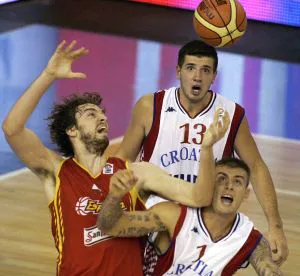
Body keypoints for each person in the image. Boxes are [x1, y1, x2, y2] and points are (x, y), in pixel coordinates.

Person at [2, 40, 230, 276]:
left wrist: (206, 149)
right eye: (92, 114)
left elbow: (200, 197)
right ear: (72, 130)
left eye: (103, 114)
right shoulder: (57, 172)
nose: (102, 118)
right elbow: (12, 129)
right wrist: (48, 76)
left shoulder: (137, 173)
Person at [116, 40, 288, 264]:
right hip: (154, 216)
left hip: (204, 222)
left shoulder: (231, 114)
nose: (197, 77)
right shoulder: (151, 106)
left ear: (214, 76)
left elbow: (256, 166)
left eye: (205, 70)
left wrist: (275, 226)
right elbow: (122, 161)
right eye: (190, 68)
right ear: (178, 71)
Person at [97, 157, 283, 275]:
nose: (229, 186)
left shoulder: (248, 237)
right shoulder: (172, 215)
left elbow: (270, 270)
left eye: (237, 181)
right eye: (221, 179)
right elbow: (109, 226)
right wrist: (114, 196)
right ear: (208, 185)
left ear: (245, 194)